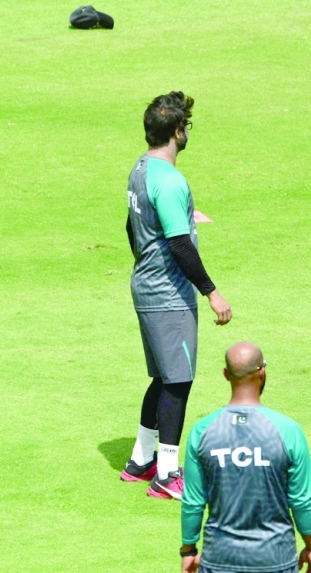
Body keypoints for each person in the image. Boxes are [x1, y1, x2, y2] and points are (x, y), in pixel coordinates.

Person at [120, 91, 233, 499]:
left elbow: (131, 228)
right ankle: (168, 475)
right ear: (178, 132)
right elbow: (181, 245)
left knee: (163, 377)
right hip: (168, 294)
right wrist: (212, 292)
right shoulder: (170, 180)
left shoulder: (141, 168)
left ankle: (140, 460)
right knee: (178, 382)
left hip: (147, 285)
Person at [180, 342, 311, 573]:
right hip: (276, 558)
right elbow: (301, 500)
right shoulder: (288, 430)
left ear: (226, 375)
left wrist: (189, 550)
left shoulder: (202, 430)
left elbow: (193, 501)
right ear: (262, 372)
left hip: (219, 558)